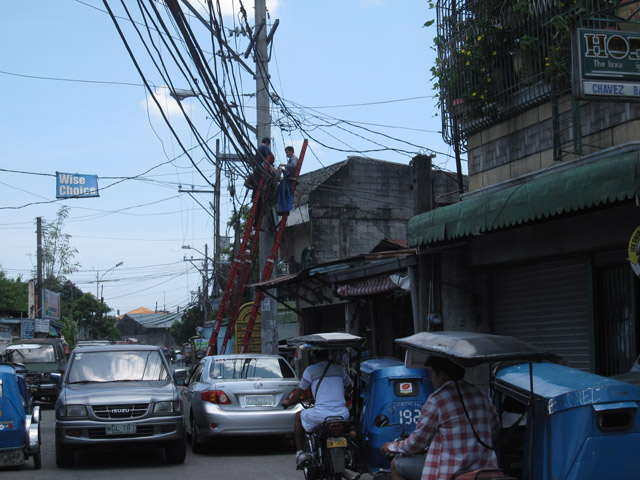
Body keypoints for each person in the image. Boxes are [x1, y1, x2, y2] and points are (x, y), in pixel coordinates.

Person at [380, 356, 500, 480]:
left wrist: (392, 446)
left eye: (433, 374)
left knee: (397, 464)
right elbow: (495, 430)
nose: (432, 379)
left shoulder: (437, 400)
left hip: (450, 473)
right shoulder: (482, 396)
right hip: (484, 470)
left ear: (442, 374)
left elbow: (417, 443)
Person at [281, 349, 353, 467]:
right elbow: (349, 386)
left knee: (298, 417)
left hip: (320, 415)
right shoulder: (339, 369)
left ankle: (300, 453)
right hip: (342, 414)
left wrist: (288, 402)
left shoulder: (310, 370)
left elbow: (300, 391)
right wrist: (343, 396)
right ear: (328, 355)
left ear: (314, 358)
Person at [276, 146, 299, 213]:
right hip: (287, 178)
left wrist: (284, 165)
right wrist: (282, 170)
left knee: (282, 194)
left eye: (287, 152)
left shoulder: (294, 159)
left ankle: (283, 208)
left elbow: (293, 166)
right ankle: (281, 208)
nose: (286, 154)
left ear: (291, 151)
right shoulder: (290, 160)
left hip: (289, 180)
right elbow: (287, 172)